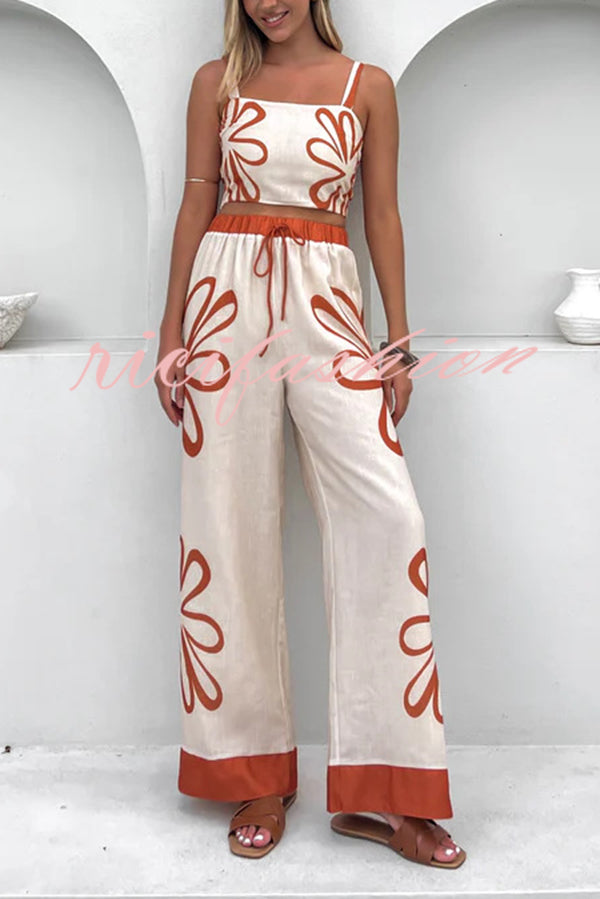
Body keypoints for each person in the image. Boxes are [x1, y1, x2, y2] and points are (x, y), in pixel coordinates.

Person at [154, 0, 467, 868]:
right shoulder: (216, 84)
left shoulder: (369, 87)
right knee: (227, 528)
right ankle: (255, 773)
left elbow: (382, 216)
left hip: (330, 306)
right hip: (223, 304)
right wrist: (171, 333)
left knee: (390, 519)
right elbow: (196, 202)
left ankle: (390, 789)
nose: (270, 1)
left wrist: (396, 342)